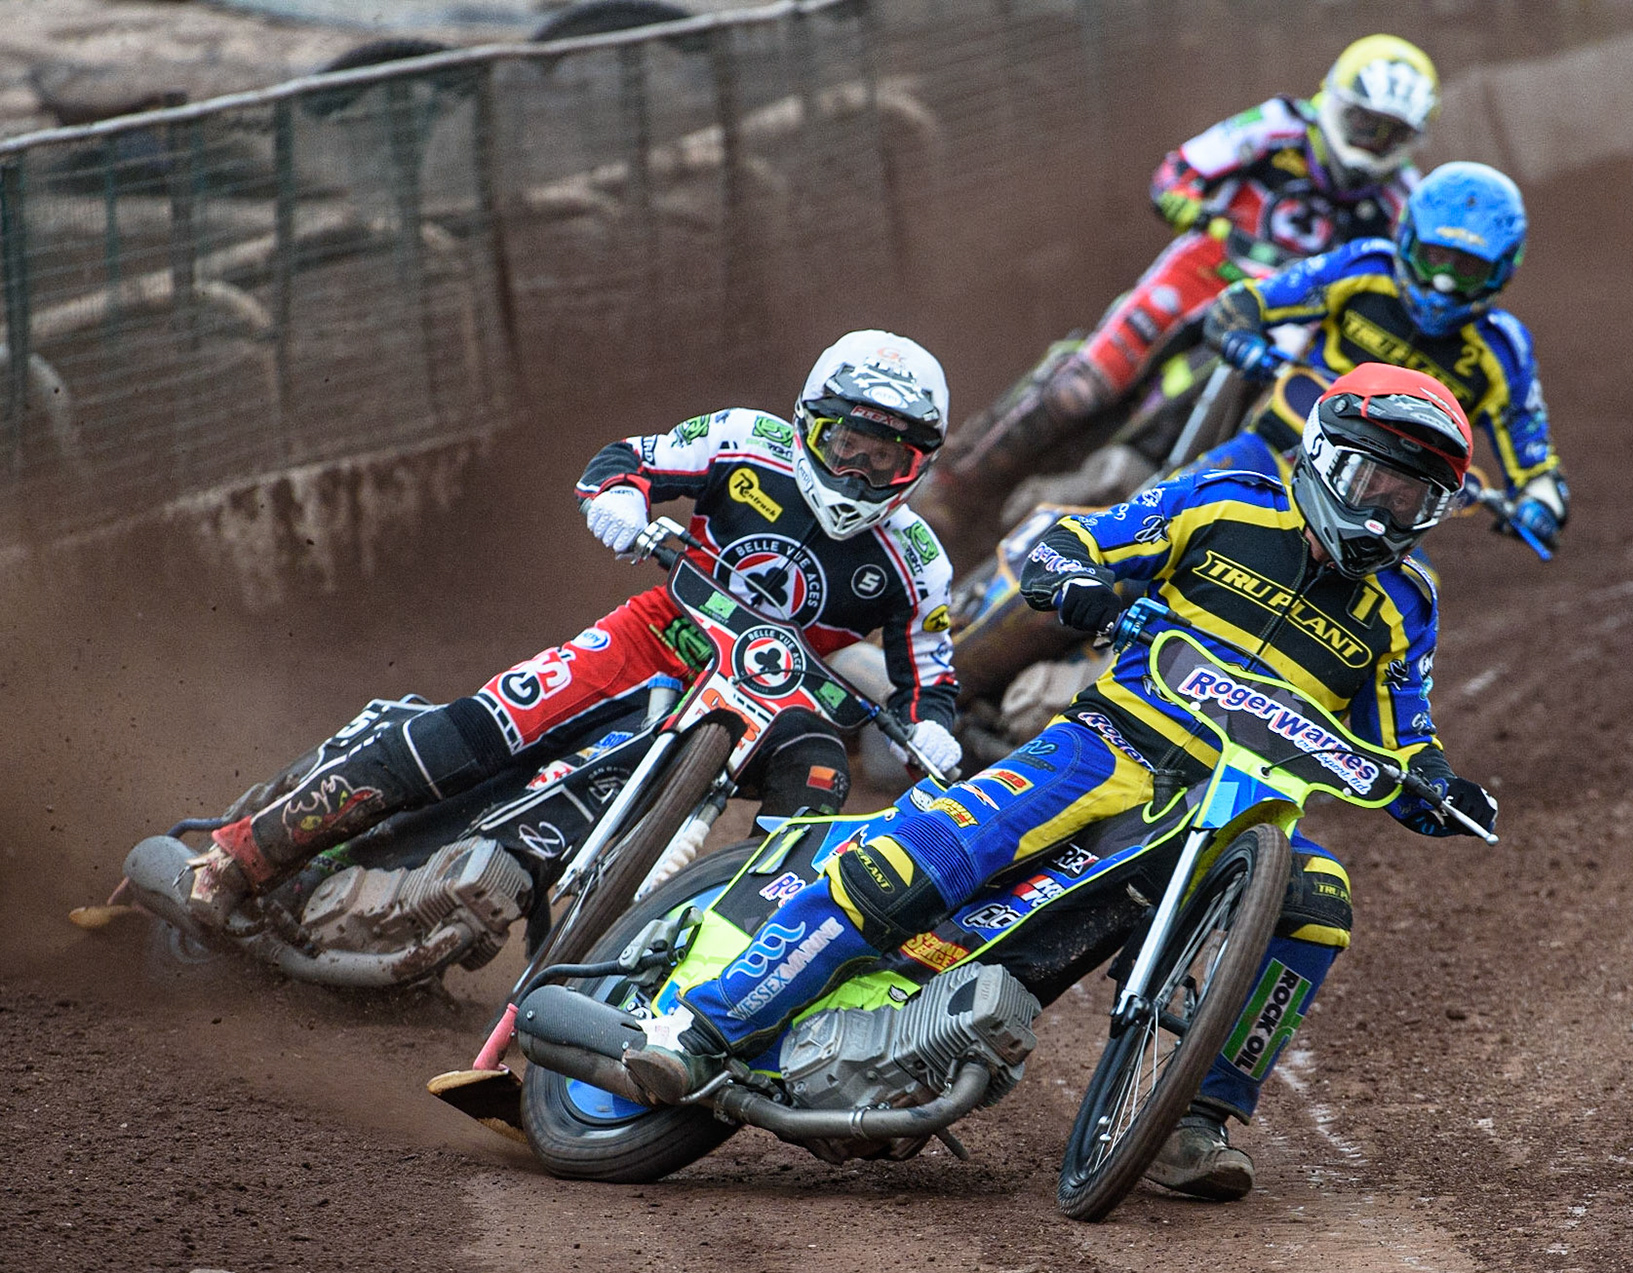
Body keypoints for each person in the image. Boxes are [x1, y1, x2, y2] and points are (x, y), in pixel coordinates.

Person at [622, 364, 1500, 1203]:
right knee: (914, 860)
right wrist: (1073, 577)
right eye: (1372, 482)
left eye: (1410, 499)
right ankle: (705, 1026)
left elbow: (1405, 730)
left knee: (1320, 897)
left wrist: (1439, 785)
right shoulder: (1226, 502)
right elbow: (1079, 536)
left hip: (1238, 805)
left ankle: (1196, 1119)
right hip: (1110, 746)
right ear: (1321, 456)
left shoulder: (1406, 604)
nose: (1383, 512)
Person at [181, 331, 966, 926]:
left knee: (821, 780)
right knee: (482, 728)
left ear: (917, 465)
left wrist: (934, 728)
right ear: (806, 425)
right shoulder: (742, 441)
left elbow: (931, 672)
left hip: (777, 701)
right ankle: (241, 855)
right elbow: (629, 459)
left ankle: (734, 963)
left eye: (884, 460)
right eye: (844, 444)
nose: (857, 472)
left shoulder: (918, 564)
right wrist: (617, 499)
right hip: (660, 634)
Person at [932, 34, 1441, 508]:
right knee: (1081, 390)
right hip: (1205, 271)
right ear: (1334, 101)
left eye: (1392, 133)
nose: (1373, 143)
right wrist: (1187, 203)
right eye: (1365, 123)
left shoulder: (1405, 199)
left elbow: (1409, 283)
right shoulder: (1278, 127)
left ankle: (1163, 497)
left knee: (1256, 422)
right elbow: (1181, 169)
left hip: (1287, 314)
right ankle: (955, 483)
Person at [1201, 160, 1569, 551]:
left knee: (1416, 591)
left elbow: (1537, 466)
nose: (1444, 282)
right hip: (1275, 452)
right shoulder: (1365, 267)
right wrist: (1241, 336)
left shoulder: (1504, 351)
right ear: (1407, 238)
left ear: (1502, 270)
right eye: (1434, 257)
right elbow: (1247, 301)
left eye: (1468, 268)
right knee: (1176, 509)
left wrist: (1541, 504)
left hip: (1380, 521)